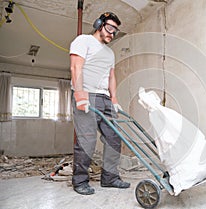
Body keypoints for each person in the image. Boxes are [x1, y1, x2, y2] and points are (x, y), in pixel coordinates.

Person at [69, 12, 130, 195]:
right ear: (99, 24)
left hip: (104, 98)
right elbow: (75, 67)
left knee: (114, 139)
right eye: (110, 28)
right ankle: (80, 181)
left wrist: (114, 99)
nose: (112, 33)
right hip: (86, 94)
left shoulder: (110, 53)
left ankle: (109, 178)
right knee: (87, 140)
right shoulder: (83, 40)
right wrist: (80, 95)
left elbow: (111, 76)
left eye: (115, 31)